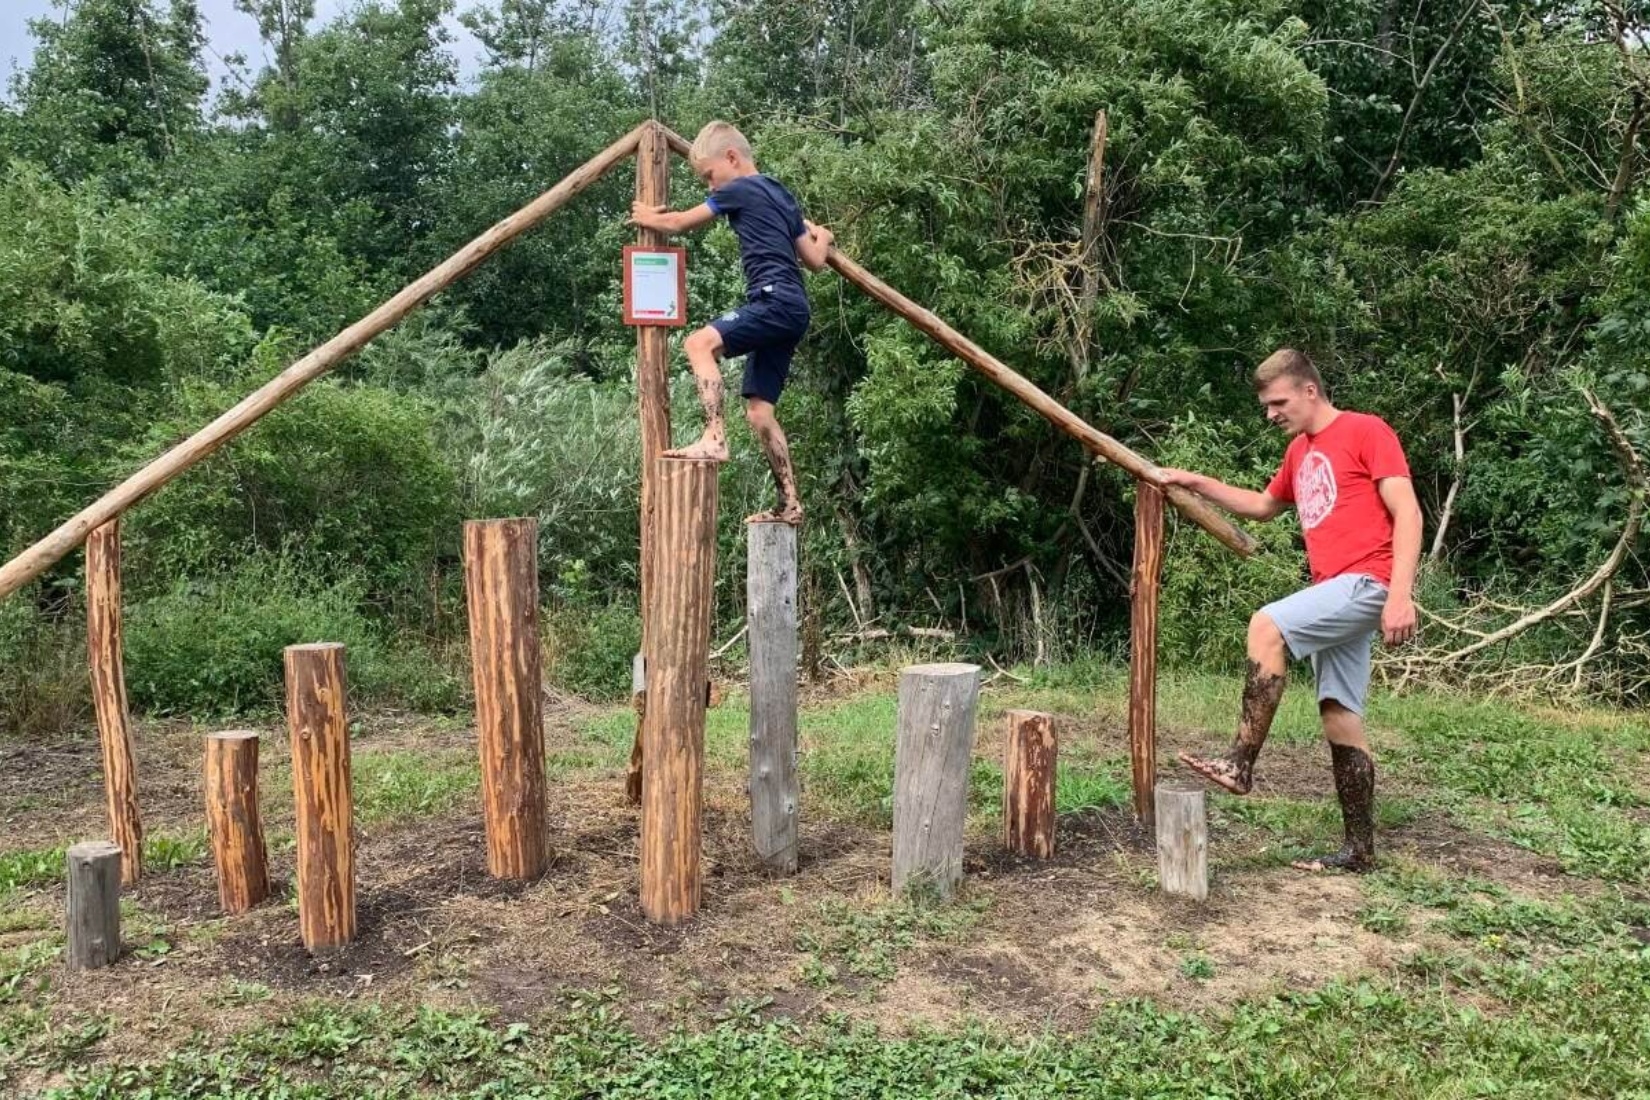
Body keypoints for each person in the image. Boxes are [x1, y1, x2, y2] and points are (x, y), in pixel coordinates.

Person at [1158, 349, 1422, 872]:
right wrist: (1194, 481)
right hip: (1336, 587)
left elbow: (1408, 511)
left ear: (1308, 390)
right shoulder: (1300, 453)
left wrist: (1399, 593)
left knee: (1267, 624)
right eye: (1266, 405)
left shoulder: (1367, 431)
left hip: (1369, 579)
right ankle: (1359, 850)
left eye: (1278, 402)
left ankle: (1239, 762)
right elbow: (1262, 506)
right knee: (1339, 713)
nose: (1271, 413)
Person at [629, 120, 834, 525]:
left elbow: (679, 223)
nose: (710, 186)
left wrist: (646, 215)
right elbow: (814, 261)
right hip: (794, 309)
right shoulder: (783, 196)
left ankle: (714, 436)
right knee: (760, 412)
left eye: (709, 175)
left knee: (698, 344)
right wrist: (823, 237)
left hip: (773, 299)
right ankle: (790, 504)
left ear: (732, 158)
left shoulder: (739, 188)